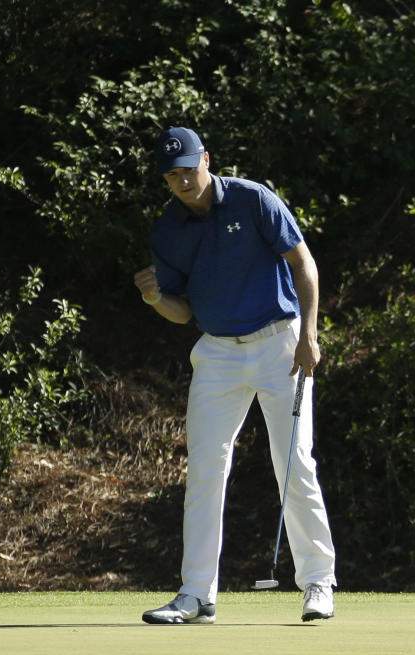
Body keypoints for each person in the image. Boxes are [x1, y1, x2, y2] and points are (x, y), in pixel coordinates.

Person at [133, 127, 337, 625]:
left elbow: (303, 263)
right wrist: (156, 299)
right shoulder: (168, 230)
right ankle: (196, 595)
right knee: (205, 468)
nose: (182, 181)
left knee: (293, 461)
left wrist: (309, 334)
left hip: (279, 343)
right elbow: (182, 313)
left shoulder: (253, 199)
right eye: (172, 175)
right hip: (218, 353)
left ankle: (317, 583)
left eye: (188, 169)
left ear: (206, 159)